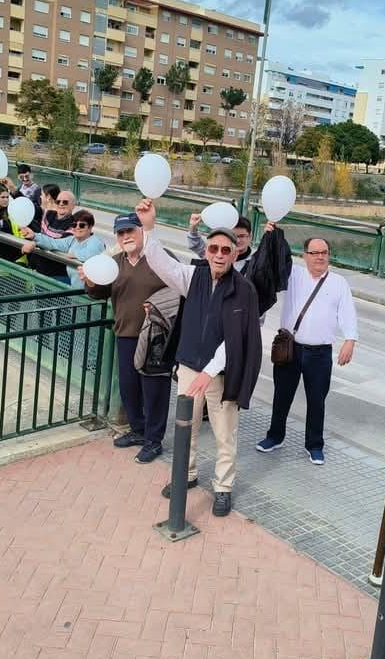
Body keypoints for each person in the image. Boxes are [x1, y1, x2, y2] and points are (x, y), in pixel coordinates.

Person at [137, 198, 262, 516]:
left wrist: (210, 370)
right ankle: (187, 474)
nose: (219, 254)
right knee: (185, 427)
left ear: (235, 254)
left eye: (225, 250)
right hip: (190, 368)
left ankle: (223, 487)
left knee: (224, 434)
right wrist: (149, 227)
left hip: (222, 375)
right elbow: (162, 264)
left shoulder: (244, 290)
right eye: (213, 249)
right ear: (206, 251)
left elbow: (237, 339)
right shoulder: (194, 277)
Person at [255, 236, 358, 465]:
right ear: (305, 256)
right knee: (282, 395)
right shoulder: (294, 275)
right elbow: (270, 262)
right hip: (290, 348)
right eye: (314, 253)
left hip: (320, 353)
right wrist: (270, 233)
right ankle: (275, 436)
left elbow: (347, 313)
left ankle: (314, 445)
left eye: (324, 252)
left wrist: (350, 340)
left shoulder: (339, 283)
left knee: (317, 400)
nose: (320, 257)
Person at [80, 212, 173, 465]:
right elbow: (100, 291)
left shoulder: (158, 258)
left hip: (155, 337)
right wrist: (89, 282)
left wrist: (160, 309)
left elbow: (180, 287)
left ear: (142, 231)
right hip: (126, 333)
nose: (125, 236)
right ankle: (138, 430)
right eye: (120, 233)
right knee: (129, 388)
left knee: (154, 389)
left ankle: (154, 440)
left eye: (130, 230)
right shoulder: (115, 261)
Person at [21, 209, 105, 287]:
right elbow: (53, 243)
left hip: (90, 291)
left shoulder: (96, 241)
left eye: (82, 225)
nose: (77, 227)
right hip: (75, 286)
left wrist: (74, 255)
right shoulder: (72, 239)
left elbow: (91, 254)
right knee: (46, 283)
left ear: (90, 227)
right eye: (74, 225)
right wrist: (34, 236)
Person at [31, 188, 76, 281]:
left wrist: (35, 239)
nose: (61, 204)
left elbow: (57, 244)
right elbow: (28, 209)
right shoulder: (48, 214)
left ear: (73, 205)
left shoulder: (75, 224)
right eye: (58, 201)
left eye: (65, 202)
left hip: (58, 274)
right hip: (39, 269)